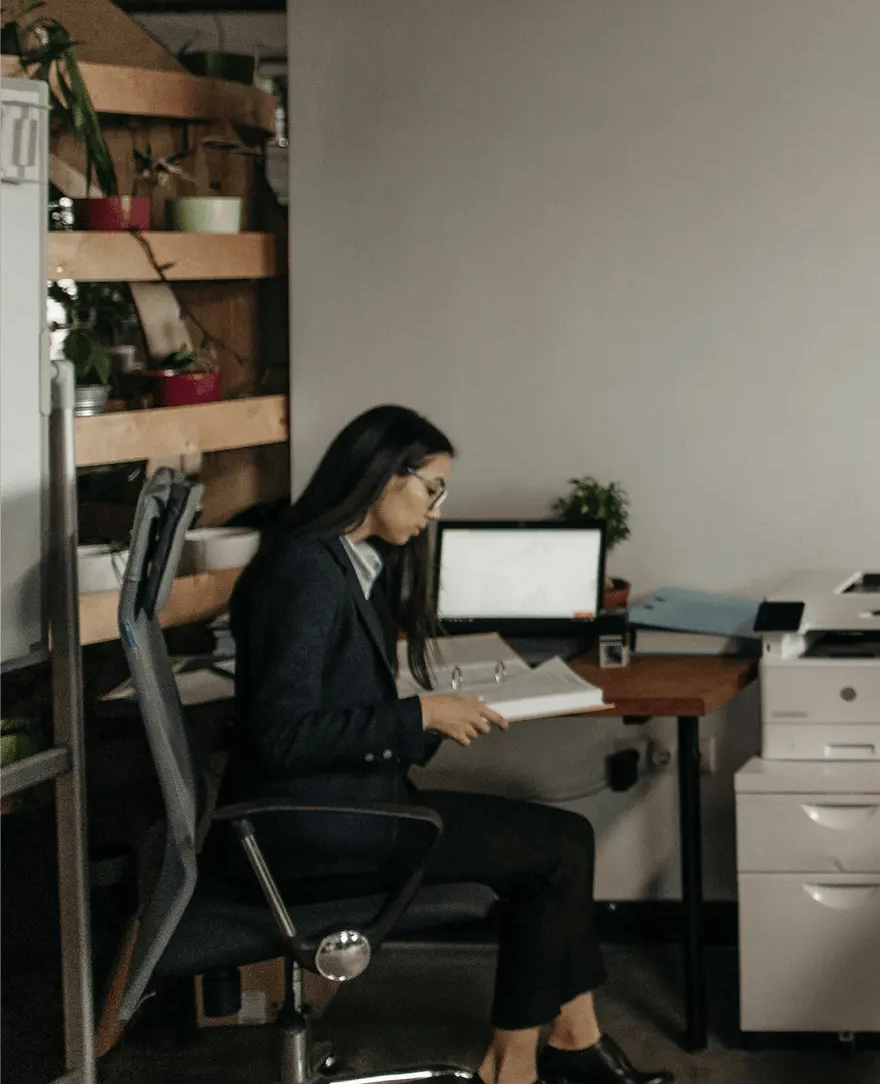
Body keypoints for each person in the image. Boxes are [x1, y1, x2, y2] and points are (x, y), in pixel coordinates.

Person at [220, 405, 669, 1084]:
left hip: (345, 809)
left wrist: (431, 716)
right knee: (558, 847)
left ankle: (573, 1040)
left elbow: (337, 710)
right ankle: (518, 1065)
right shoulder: (304, 575)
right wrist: (421, 713)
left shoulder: (344, 565)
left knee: (558, 846)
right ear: (380, 477)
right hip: (311, 833)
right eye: (432, 487)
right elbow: (281, 737)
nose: (436, 508)